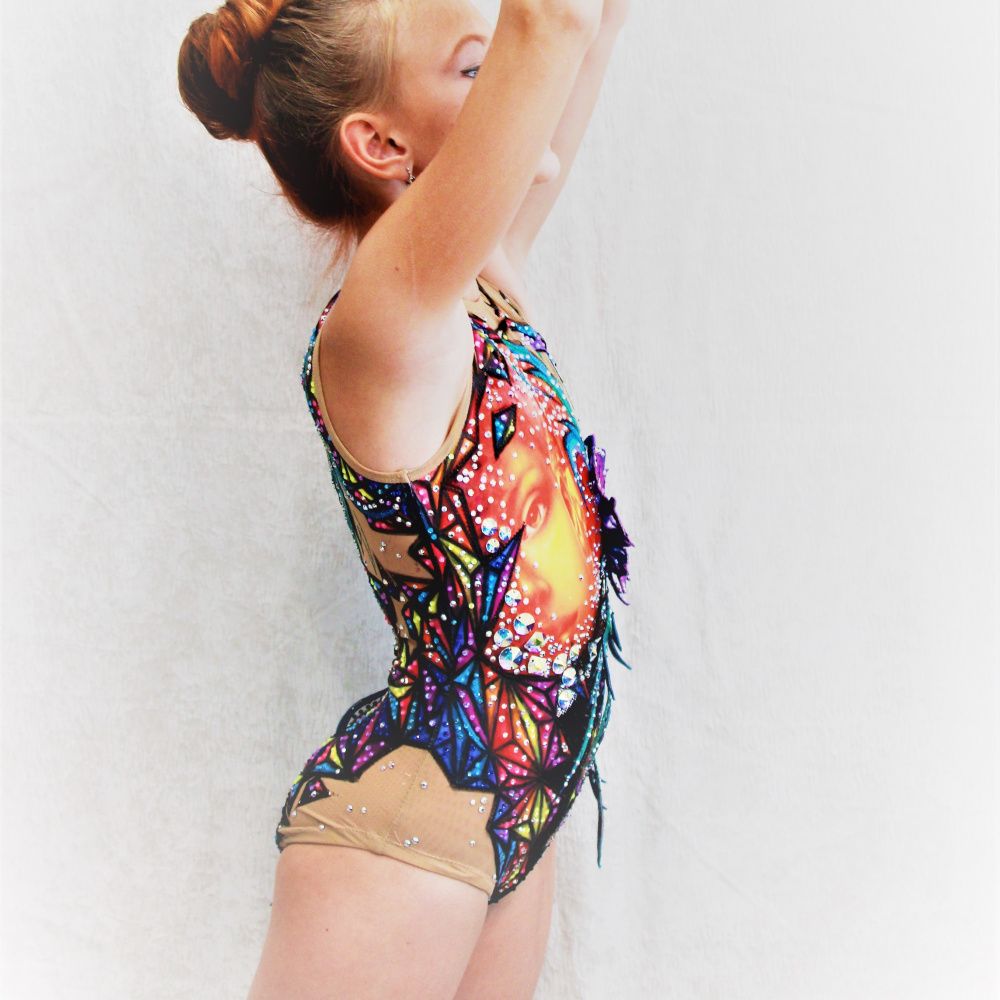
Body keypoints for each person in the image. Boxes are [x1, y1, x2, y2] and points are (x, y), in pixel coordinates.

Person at [177, 0, 633, 995]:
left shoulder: (482, 281)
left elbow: (587, 23)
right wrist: (543, 34)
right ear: (381, 145)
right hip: (409, 819)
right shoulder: (392, 308)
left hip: (513, 800)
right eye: (473, 70)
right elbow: (550, 23)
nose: (511, 89)